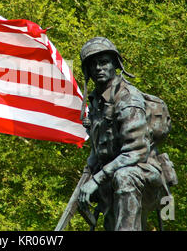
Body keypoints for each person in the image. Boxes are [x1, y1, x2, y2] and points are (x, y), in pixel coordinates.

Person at [77, 37, 165, 231]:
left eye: (104, 62)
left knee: (124, 176)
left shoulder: (128, 99)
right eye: (93, 64)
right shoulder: (96, 102)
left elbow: (136, 152)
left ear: (115, 64)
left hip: (142, 173)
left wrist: (96, 180)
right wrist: (87, 177)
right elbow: (96, 150)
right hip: (111, 175)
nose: (98, 68)